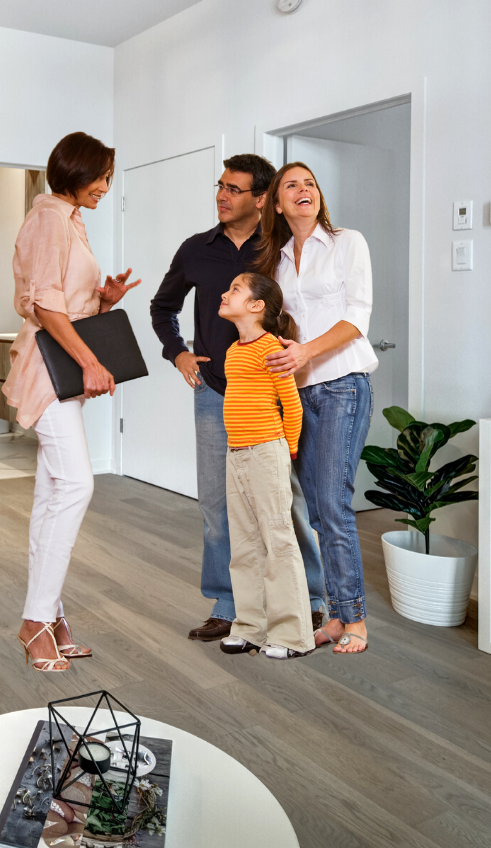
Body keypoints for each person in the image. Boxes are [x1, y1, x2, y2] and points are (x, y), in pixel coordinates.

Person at [151, 155, 325, 642]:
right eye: (220, 186)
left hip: (268, 392)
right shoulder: (195, 249)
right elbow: (162, 306)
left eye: (234, 189)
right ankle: (228, 604)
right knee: (215, 503)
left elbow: (299, 310)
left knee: (284, 499)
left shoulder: (281, 248)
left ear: (261, 198)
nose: (222, 196)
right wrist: (178, 354)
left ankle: (310, 599)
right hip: (213, 393)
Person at [3, 132, 141, 672]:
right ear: (77, 171)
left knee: (52, 492)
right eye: (102, 176)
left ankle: (51, 617)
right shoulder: (50, 218)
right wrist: (88, 361)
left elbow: (65, 299)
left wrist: (102, 300)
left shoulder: (70, 219)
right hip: (52, 370)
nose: (107, 186)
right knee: (78, 484)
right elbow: (43, 305)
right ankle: (36, 620)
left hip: (62, 372)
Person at [256, 162, 378, 655]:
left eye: (309, 183)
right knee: (314, 511)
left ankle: (356, 621)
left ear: (318, 196)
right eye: (292, 186)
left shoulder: (348, 242)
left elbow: (357, 317)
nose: (303, 190)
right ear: (278, 204)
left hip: (343, 386)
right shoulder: (278, 261)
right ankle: (333, 614)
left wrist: (306, 352)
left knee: (332, 504)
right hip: (299, 394)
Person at [217, 272, 314, 660]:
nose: (225, 293)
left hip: (266, 452)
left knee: (277, 540)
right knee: (243, 543)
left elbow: (291, 405)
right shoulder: (233, 351)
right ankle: (250, 627)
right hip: (236, 452)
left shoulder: (270, 348)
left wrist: (287, 451)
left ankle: (292, 636)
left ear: (256, 307)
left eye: (234, 289)